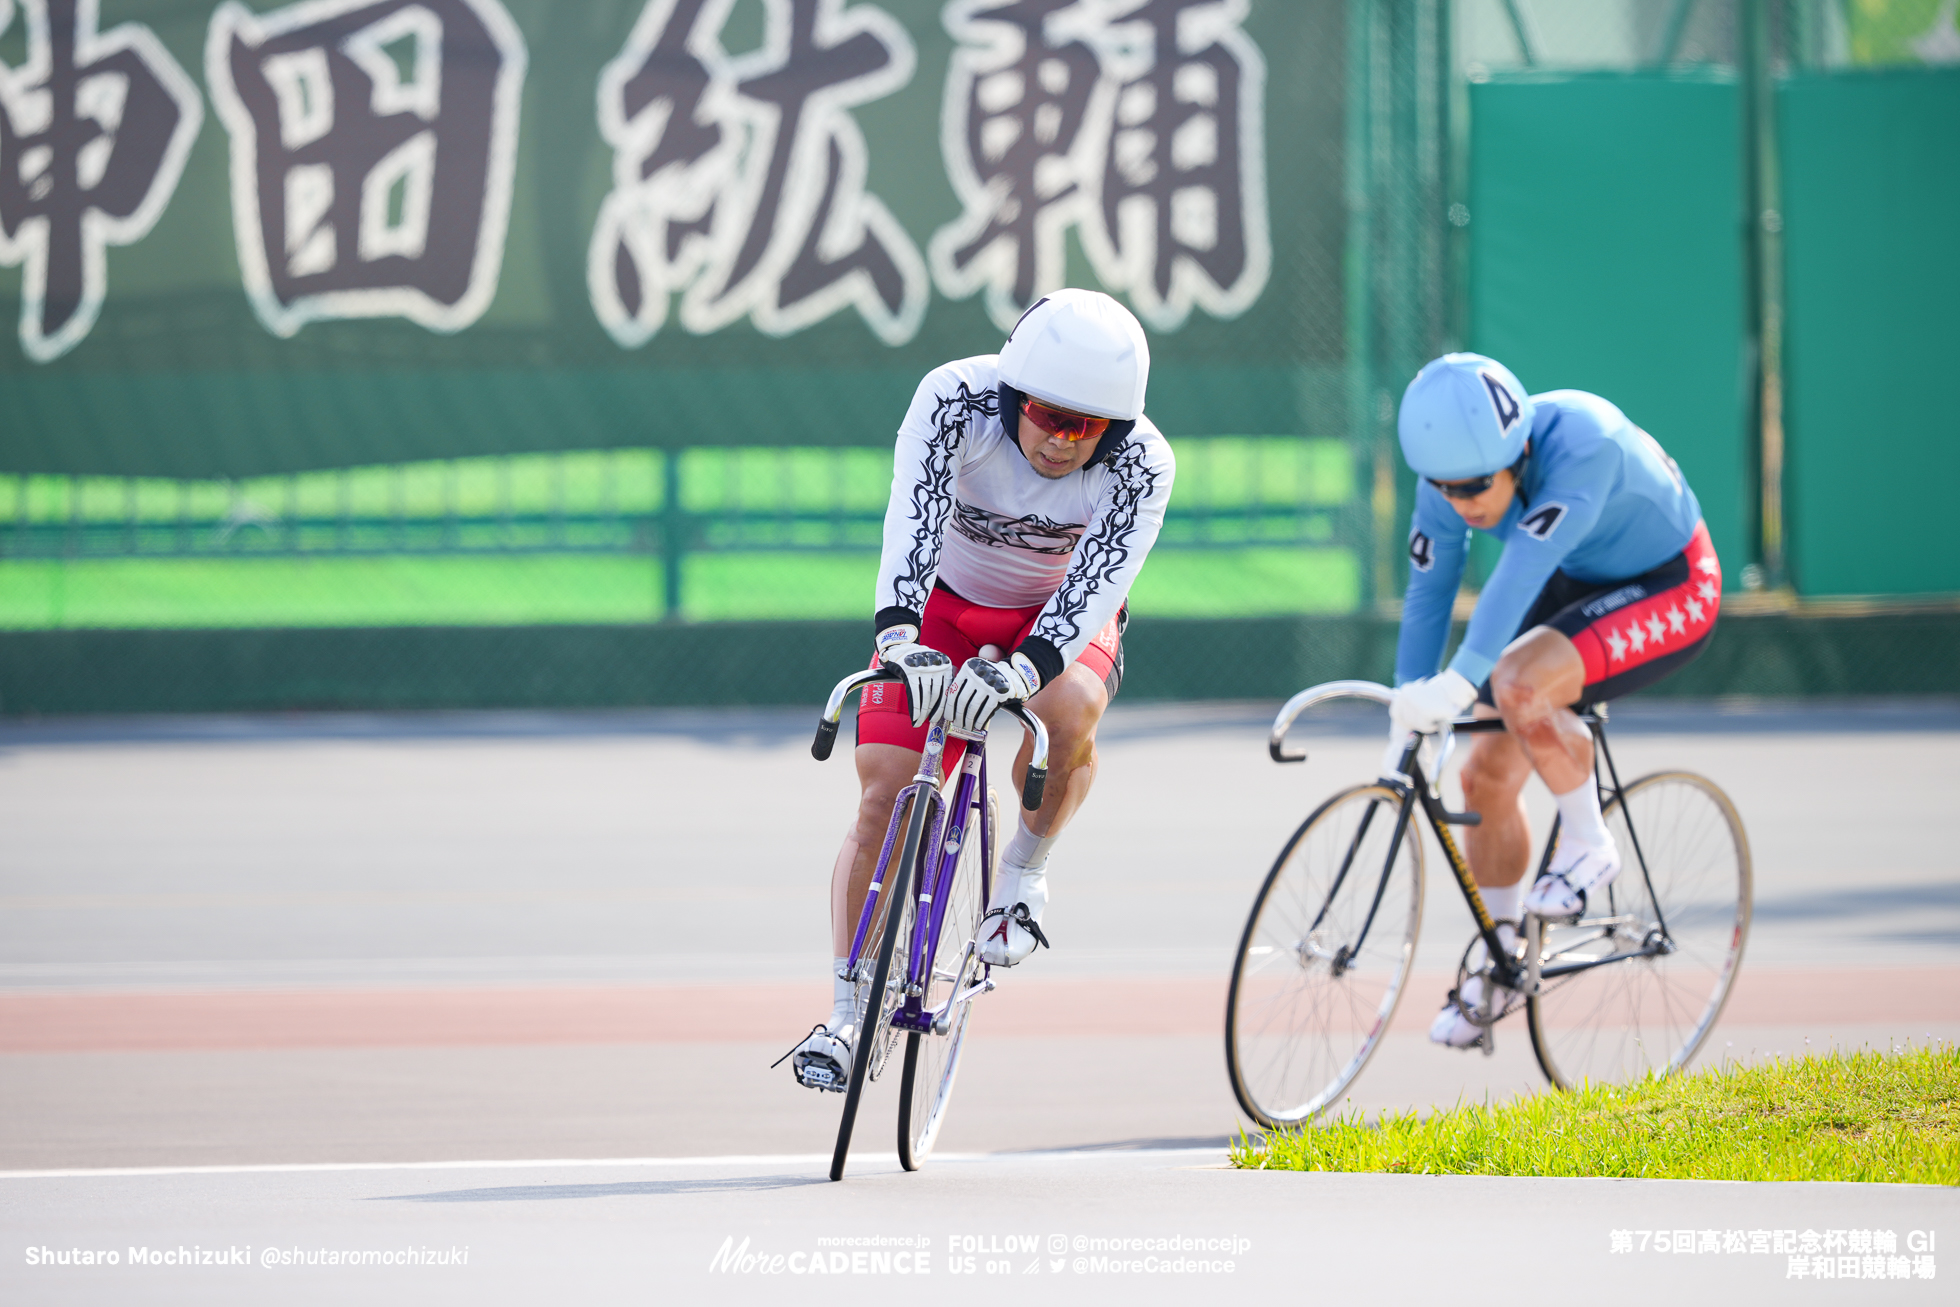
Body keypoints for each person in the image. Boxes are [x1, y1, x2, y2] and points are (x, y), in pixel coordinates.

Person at [790, 289, 1176, 1091]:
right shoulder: (953, 397)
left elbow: (1099, 587)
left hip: (1054, 617)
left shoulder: (1144, 463)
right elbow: (912, 516)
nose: (1065, 440)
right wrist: (900, 639)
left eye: (1089, 427)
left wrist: (1026, 669)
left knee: (1069, 713)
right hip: (940, 605)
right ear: (1010, 395)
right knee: (881, 797)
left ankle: (1023, 878)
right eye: (1047, 415)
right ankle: (844, 1014)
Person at [1388, 353, 1719, 1049]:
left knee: (1514, 682)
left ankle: (1591, 842)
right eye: (1444, 488)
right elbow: (1428, 592)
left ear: (1519, 453)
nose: (1461, 503)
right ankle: (1505, 956)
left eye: (1475, 486)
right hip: (1579, 572)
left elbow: (1516, 577)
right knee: (1482, 775)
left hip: (1673, 582)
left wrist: (1459, 681)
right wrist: (1409, 700)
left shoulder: (1583, 444)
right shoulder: (1449, 478)